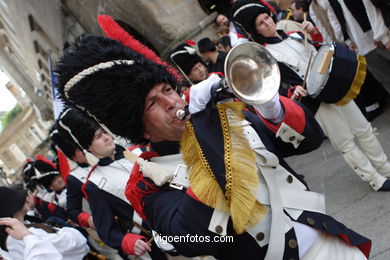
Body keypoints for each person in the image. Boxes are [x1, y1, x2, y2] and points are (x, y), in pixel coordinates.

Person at [54, 34, 371, 259]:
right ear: (137, 125)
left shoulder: (226, 120)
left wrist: (272, 106)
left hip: (333, 241)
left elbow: (310, 140)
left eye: (168, 89)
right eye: (153, 102)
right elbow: (192, 239)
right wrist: (206, 128)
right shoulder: (144, 184)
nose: (171, 102)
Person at [232, 0, 390, 192]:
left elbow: (323, 51)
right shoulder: (265, 57)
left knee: (363, 128)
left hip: (333, 86)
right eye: (261, 24)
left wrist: (313, 33)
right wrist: (292, 91)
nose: (268, 23)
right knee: (345, 141)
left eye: (267, 18)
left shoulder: (296, 34)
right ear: (255, 30)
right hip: (314, 101)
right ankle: (375, 179)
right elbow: (273, 88)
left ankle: (385, 168)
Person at [57, 108, 165, 259]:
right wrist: (126, 241)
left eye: (104, 132)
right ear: (88, 147)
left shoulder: (137, 151)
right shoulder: (94, 184)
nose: (106, 138)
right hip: (159, 240)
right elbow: (105, 229)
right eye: (98, 137)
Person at [0, 186, 89, 260]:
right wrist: (69, 231)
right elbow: (75, 242)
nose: (26, 199)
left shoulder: (23, 227)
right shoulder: (18, 236)